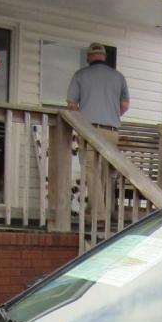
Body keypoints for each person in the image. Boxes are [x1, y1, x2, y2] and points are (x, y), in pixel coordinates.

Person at [67, 43, 130, 224]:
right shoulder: (118, 77)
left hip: (89, 130)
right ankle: (96, 209)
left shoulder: (80, 75)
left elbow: (72, 105)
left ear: (88, 57)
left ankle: (100, 214)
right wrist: (111, 115)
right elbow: (124, 106)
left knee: (90, 171)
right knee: (102, 172)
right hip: (112, 131)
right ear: (104, 57)